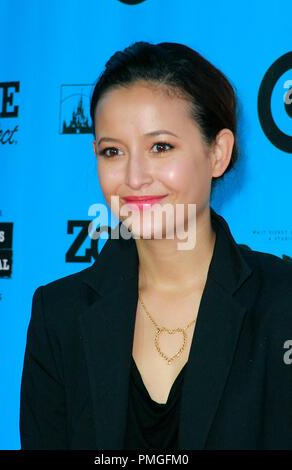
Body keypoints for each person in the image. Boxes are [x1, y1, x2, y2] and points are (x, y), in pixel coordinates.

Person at [19, 41, 292, 450]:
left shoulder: (283, 301)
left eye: (160, 147)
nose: (134, 177)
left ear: (218, 153)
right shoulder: (57, 313)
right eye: (112, 151)